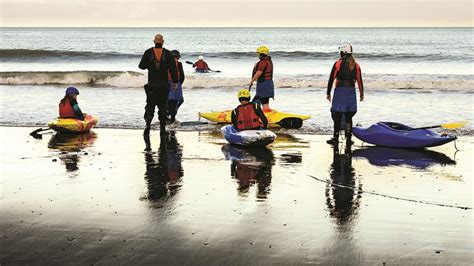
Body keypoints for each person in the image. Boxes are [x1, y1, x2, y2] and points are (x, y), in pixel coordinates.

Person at [139, 33, 178, 136]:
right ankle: (162, 126)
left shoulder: (148, 52)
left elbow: (141, 66)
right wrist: (175, 82)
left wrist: (150, 64)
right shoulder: (168, 53)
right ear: (163, 42)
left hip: (151, 85)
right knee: (163, 107)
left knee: (150, 105)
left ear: (154, 41)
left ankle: (148, 124)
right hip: (164, 86)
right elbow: (173, 69)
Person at [326, 43, 364, 145]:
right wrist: (361, 94)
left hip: (340, 91)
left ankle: (335, 138)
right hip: (351, 92)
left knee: (337, 115)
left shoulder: (338, 63)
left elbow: (331, 78)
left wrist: (328, 93)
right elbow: (360, 81)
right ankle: (348, 139)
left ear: (344, 52)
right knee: (348, 116)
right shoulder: (356, 65)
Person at [248, 45, 274, 110]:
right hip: (269, 84)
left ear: (261, 54)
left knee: (256, 101)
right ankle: (266, 112)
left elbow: (259, 73)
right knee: (265, 102)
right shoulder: (269, 61)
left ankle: (253, 113)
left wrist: (252, 81)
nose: (258, 55)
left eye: (258, 53)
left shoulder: (262, 62)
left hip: (263, 84)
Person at [167, 50, 185, 124]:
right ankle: (172, 118)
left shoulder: (165, 64)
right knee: (179, 100)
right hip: (176, 83)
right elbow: (182, 76)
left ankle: (167, 114)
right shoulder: (179, 64)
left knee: (168, 101)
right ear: (178, 57)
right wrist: (179, 84)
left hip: (166, 83)